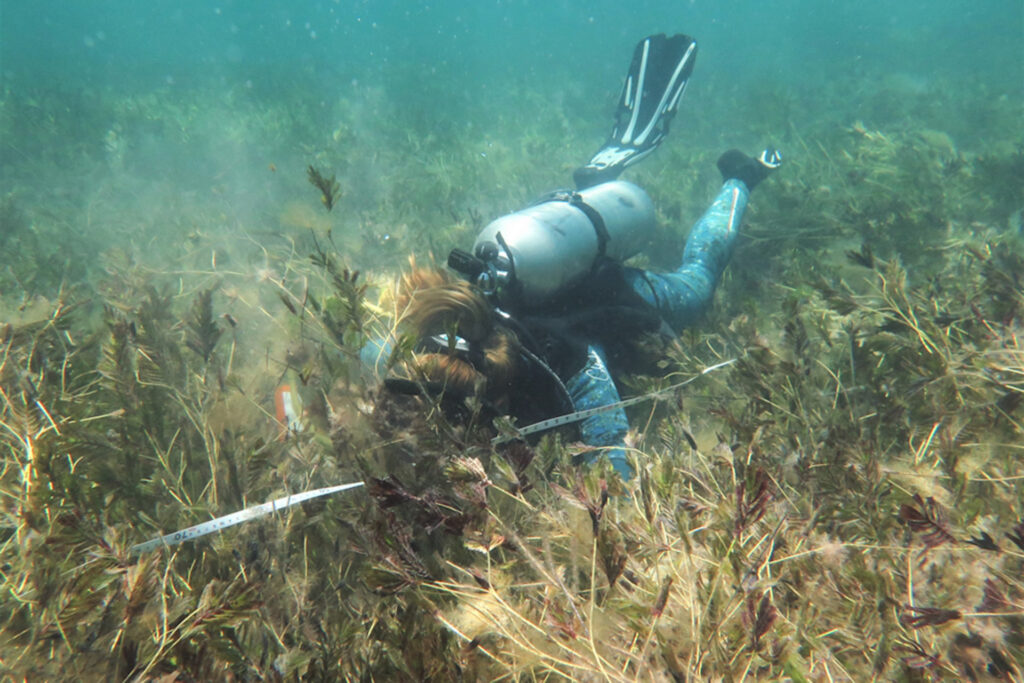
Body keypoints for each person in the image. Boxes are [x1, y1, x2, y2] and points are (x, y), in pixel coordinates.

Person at [360, 34, 781, 479]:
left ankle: (740, 180)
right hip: (545, 251)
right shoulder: (422, 343)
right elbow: (369, 352)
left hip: (612, 289)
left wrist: (611, 485)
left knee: (698, 285)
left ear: (498, 391)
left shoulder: (567, 357)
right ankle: (592, 188)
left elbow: (609, 442)